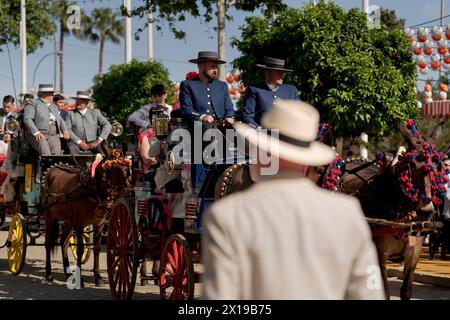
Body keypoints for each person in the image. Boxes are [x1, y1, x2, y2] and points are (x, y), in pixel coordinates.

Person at [202, 100, 385, 300]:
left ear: (264, 152)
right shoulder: (347, 212)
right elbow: (368, 292)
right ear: (307, 160)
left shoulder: (227, 216)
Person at [242, 57, 299, 128]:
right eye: (278, 72)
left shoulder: (291, 90)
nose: (282, 75)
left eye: (283, 73)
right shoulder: (254, 90)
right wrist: (259, 129)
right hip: (263, 135)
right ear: (267, 73)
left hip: (287, 135)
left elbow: (298, 115)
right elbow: (247, 117)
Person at [179, 51, 235, 124]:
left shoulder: (222, 86)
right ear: (201, 66)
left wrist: (229, 117)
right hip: (198, 128)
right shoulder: (188, 85)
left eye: (216, 67)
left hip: (222, 126)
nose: (215, 70)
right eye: (212, 66)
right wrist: (202, 117)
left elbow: (229, 108)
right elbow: (186, 109)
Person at [24, 84, 70, 155]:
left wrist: (65, 131)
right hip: (39, 133)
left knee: (57, 154)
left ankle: (55, 166)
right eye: (52, 94)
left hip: (53, 135)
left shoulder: (54, 107)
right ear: (46, 94)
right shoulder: (33, 103)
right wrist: (36, 132)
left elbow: (60, 120)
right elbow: (27, 119)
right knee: (46, 153)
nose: (53, 96)